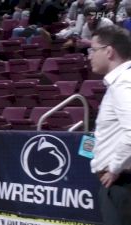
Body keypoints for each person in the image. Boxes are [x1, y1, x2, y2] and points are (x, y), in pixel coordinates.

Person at [88, 25, 131, 225]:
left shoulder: (123, 82)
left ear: (109, 51)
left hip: (122, 183)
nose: (89, 56)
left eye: (93, 50)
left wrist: (114, 167)